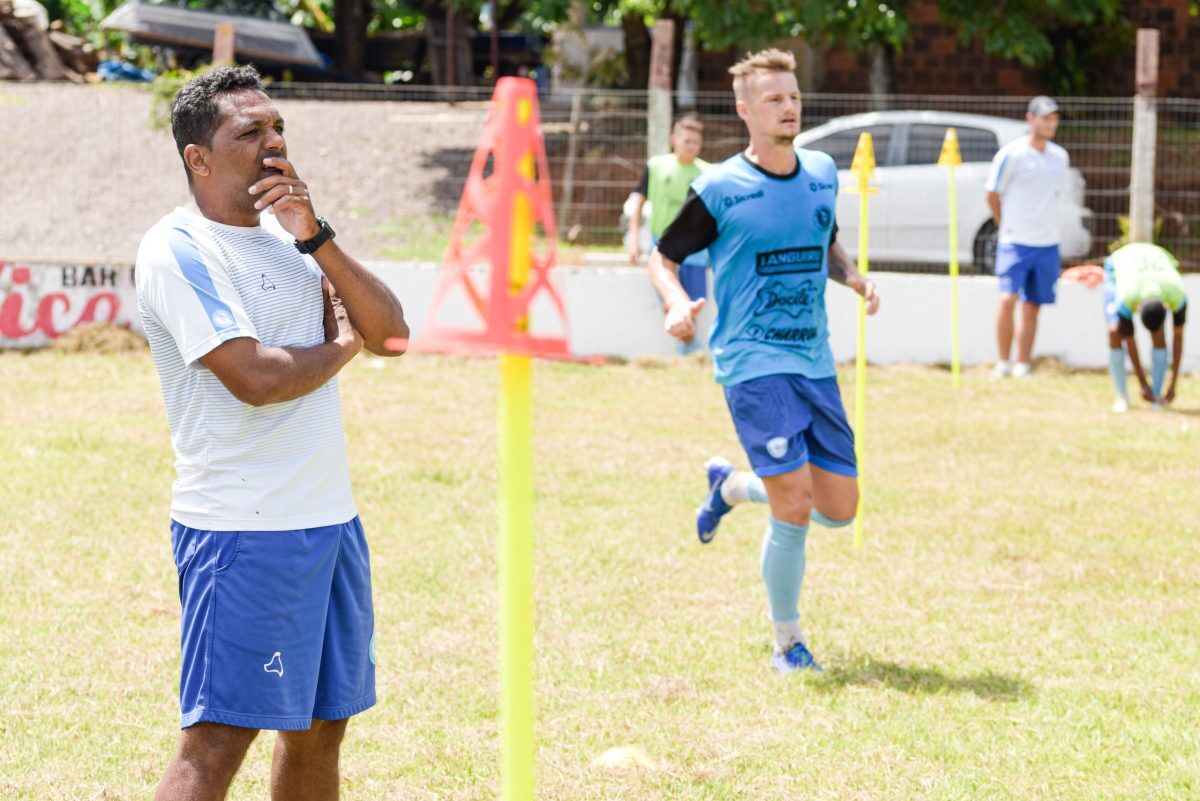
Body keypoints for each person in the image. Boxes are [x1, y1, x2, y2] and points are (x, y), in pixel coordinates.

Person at [135, 65, 409, 801]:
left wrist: (314, 234)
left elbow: (393, 333)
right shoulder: (179, 248)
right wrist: (342, 347)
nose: (274, 142)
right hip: (241, 530)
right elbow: (254, 378)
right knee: (219, 737)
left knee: (322, 726)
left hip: (329, 520)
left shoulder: (293, 238)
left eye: (278, 126)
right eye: (249, 131)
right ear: (199, 157)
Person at [647, 49, 879, 675]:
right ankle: (787, 643)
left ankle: (730, 487)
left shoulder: (824, 171)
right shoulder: (721, 188)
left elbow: (825, 239)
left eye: (794, 96)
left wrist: (854, 278)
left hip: (814, 361)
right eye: (774, 99)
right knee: (796, 505)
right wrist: (674, 303)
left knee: (840, 507)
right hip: (751, 362)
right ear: (746, 111)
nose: (789, 107)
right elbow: (661, 256)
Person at [986, 95, 1070, 378]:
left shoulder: (1060, 157)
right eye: (1046, 118)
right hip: (1015, 240)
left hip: (1046, 242)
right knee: (1007, 299)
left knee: (1033, 305)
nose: (1051, 124)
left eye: (1054, 119)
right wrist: (1003, 224)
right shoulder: (1012, 154)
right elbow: (993, 192)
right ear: (1030, 119)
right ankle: (1002, 362)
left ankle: (1023, 364)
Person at [629, 115, 711, 353]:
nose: (692, 146)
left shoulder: (708, 173)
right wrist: (634, 239)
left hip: (695, 249)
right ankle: (687, 349)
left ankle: (688, 349)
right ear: (674, 139)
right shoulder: (656, 166)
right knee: (670, 298)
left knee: (695, 300)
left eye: (696, 141)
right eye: (687, 140)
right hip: (662, 246)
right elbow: (638, 202)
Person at [1102, 242, 1187, 413]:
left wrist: (1173, 384)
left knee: (1159, 336)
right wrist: (1142, 383)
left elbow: (1178, 338)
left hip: (1158, 254)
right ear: (1137, 308)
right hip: (1120, 260)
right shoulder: (1127, 297)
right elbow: (1130, 340)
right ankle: (1122, 396)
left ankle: (1156, 395)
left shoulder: (1178, 295)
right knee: (1115, 331)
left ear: (1166, 306)